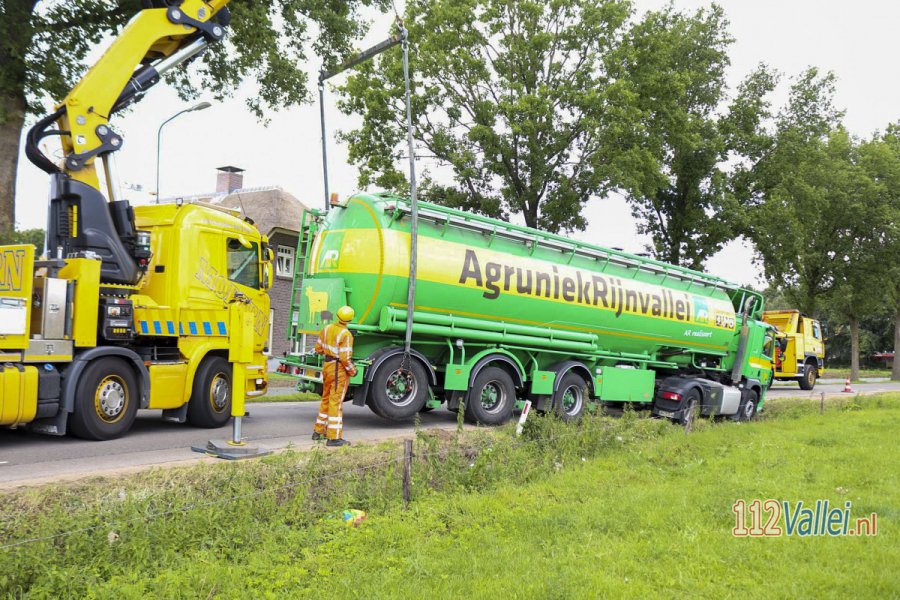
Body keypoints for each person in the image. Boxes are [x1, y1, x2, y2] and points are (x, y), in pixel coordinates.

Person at [312, 305, 357, 447]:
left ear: (337, 315)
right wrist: (352, 371)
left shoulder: (326, 329)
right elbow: (345, 358)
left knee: (326, 399)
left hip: (327, 366)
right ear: (350, 319)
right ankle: (334, 437)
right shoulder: (346, 334)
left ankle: (318, 432)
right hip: (339, 370)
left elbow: (318, 349)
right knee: (336, 403)